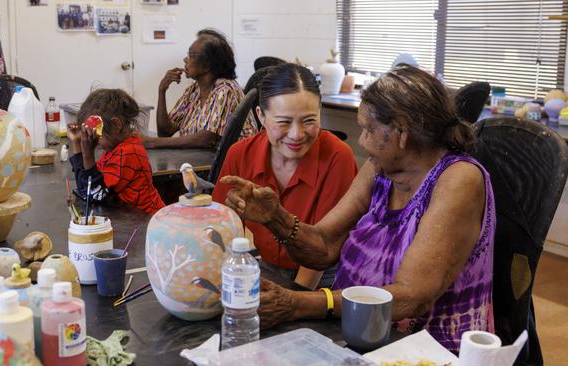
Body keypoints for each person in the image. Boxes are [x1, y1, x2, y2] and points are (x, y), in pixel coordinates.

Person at [220, 65, 495, 352]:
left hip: (421, 349)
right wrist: (276, 218)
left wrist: (298, 304)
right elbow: (324, 245)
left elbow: (411, 298)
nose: (362, 141)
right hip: (352, 333)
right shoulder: (381, 168)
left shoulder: (458, 179)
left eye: (367, 129)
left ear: (401, 131)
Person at [213, 63, 358, 290]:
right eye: (284, 122)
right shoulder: (240, 154)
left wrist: (294, 302)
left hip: (325, 276)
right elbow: (222, 228)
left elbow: (321, 249)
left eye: (309, 120)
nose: (296, 134)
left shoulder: (338, 157)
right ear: (261, 116)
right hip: (266, 267)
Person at [145, 28, 257, 149]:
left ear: (208, 64)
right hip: (204, 160)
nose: (185, 59)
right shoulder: (193, 90)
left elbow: (205, 139)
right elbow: (165, 132)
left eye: (192, 55)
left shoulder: (226, 90)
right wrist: (162, 91)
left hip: (236, 162)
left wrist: (152, 142)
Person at [68, 89, 165, 215]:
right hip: (129, 217)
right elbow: (86, 188)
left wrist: (88, 154)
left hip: (147, 221)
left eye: (96, 135)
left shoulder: (129, 152)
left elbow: (96, 195)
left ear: (116, 125)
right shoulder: (113, 149)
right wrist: (77, 144)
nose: (94, 141)